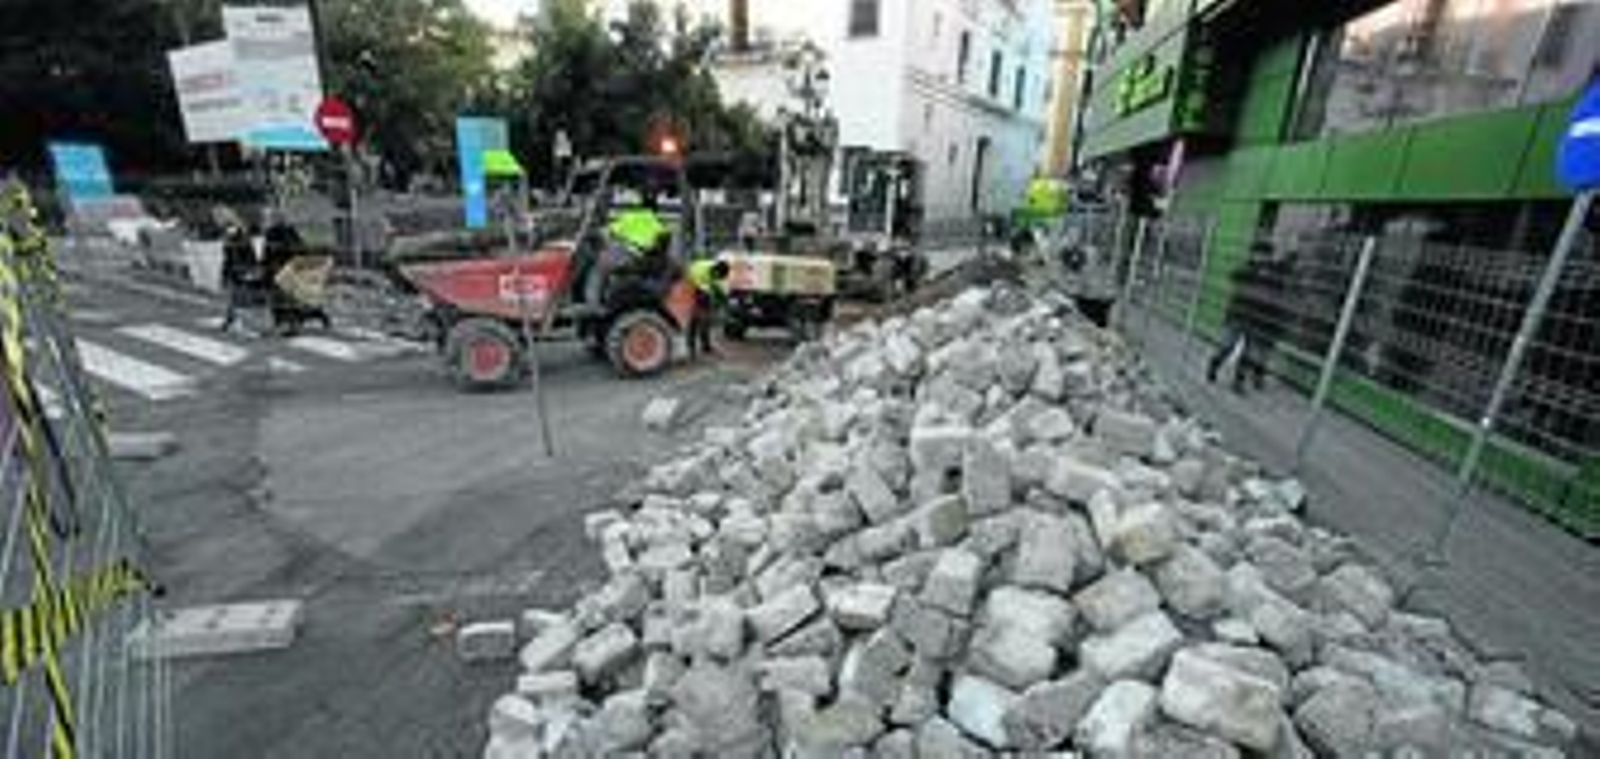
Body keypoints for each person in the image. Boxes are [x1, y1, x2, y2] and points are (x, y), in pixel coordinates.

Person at [1208, 243, 1284, 393]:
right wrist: (1255, 273)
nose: (1261, 258)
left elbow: (1277, 287)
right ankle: (1214, 365)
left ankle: (1238, 383)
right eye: (1258, 254)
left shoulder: (1272, 273)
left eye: (1265, 255)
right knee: (1227, 346)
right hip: (1236, 316)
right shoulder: (1245, 269)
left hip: (1256, 318)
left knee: (1247, 354)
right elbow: (1234, 277)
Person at [217, 207, 256, 333]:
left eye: (219, 217)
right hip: (239, 267)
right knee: (235, 295)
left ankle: (239, 322)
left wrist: (227, 271)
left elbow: (234, 252)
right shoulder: (237, 229)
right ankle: (230, 320)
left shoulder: (233, 230)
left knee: (238, 295)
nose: (217, 220)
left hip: (238, 268)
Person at [687, 258, 731, 359]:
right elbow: (703, 291)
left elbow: (716, 285)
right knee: (694, 321)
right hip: (689, 287)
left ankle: (706, 347)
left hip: (700, 288)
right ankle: (691, 350)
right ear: (716, 271)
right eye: (719, 276)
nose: (719, 278)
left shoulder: (715, 269)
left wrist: (724, 298)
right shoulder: (700, 272)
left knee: (705, 320)